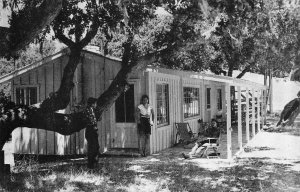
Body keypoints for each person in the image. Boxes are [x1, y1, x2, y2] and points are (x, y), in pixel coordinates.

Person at [84, 97, 99, 169]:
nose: (96, 104)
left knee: (95, 146)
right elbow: (91, 121)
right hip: (91, 130)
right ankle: (91, 164)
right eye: (95, 103)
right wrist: (94, 127)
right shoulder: (88, 110)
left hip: (91, 130)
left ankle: (93, 163)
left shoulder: (91, 110)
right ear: (92, 104)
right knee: (93, 147)